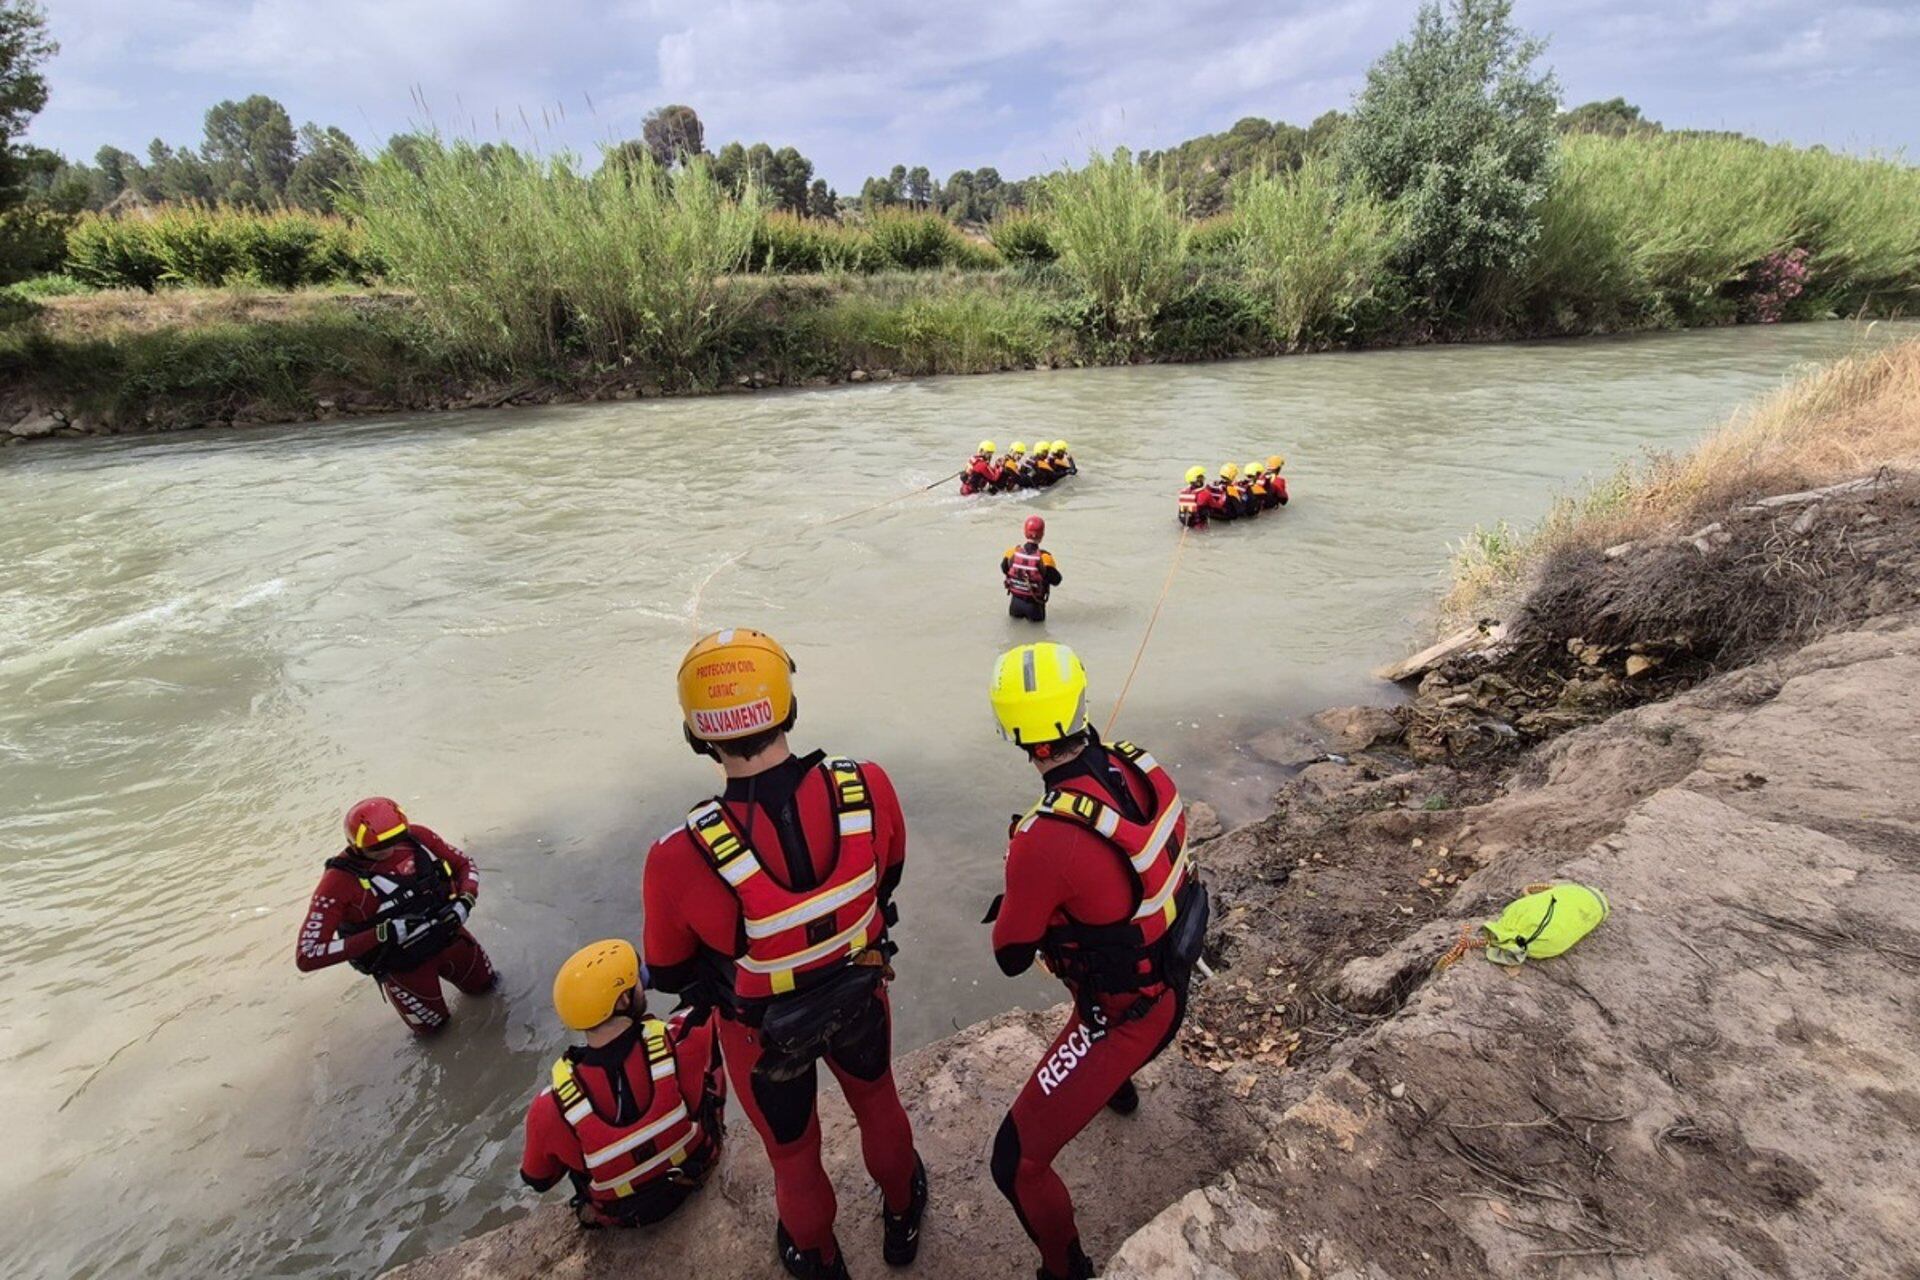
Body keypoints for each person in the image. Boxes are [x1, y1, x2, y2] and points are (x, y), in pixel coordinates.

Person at [643, 628, 927, 1279]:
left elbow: (672, 971)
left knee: (793, 1156)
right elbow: (887, 877)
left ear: (696, 734)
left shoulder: (676, 856)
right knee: (878, 1103)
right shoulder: (867, 786)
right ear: (788, 707)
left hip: (759, 1033)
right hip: (859, 994)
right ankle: (902, 1216)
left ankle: (819, 1257)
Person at [984, 644, 1209, 1280]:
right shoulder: (1142, 765)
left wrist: (1024, 878)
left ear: (1013, 731)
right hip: (1174, 972)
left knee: (1014, 1164)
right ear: (1082, 700)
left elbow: (1009, 955)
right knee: (1096, 931)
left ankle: (1066, 1269)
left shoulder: (1042, 838)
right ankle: (1118, 1086)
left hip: (1126, 1020)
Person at [521, 940, 728, 1228]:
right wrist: (667, 976)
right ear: (622, 1002)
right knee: (707, 1063)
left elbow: (540, 1179)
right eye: (636, 981)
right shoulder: (683, 1039)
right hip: (695, 1168)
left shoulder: (549, 1107)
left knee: (572, 1150)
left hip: (622, 1215)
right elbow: (711, 997)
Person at [295, 797, 497, 1034]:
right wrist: (383, 933)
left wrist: (465, 900)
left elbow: (464, 864)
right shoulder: (337, 883)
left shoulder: (418, 838)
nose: (387, 850)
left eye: (394, 840)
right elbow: (307, 955)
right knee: (434, 1033)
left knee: (491, 992)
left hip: (452, 939)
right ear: (355, 845)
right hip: (405, 969)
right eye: (376, 847)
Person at [1002, 515, 1063, 623]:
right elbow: (1057, 580)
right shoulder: (1045, 558)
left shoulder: (1012, 553)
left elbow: (1004, 569)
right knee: (1038, 632)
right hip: (1035, 607)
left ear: (1025, 532)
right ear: (1042, 535)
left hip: (1015, 604)